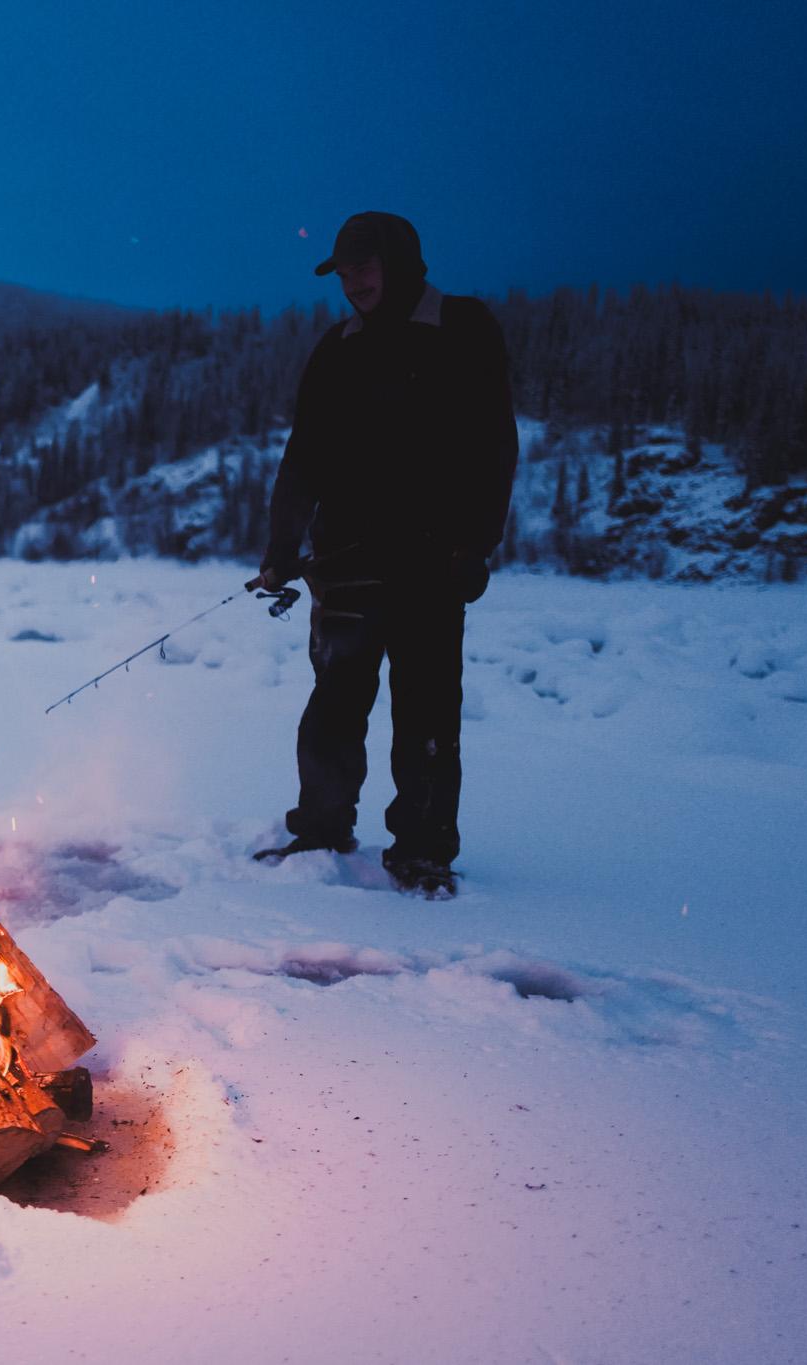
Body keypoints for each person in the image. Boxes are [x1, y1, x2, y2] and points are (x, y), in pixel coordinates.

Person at [252, 212, 517, 897]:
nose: (353, 283)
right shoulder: (337, 348)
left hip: (432, 567)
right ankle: (321, 830)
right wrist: (281, 547)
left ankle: (423, 852)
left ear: (399, 263)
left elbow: (494, 446)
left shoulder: (462, 327)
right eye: (343, 273)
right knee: (333, 709)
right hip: (345, 565)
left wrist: (474, 545)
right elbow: (304, 456)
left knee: (428, 716)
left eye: (363, 268)